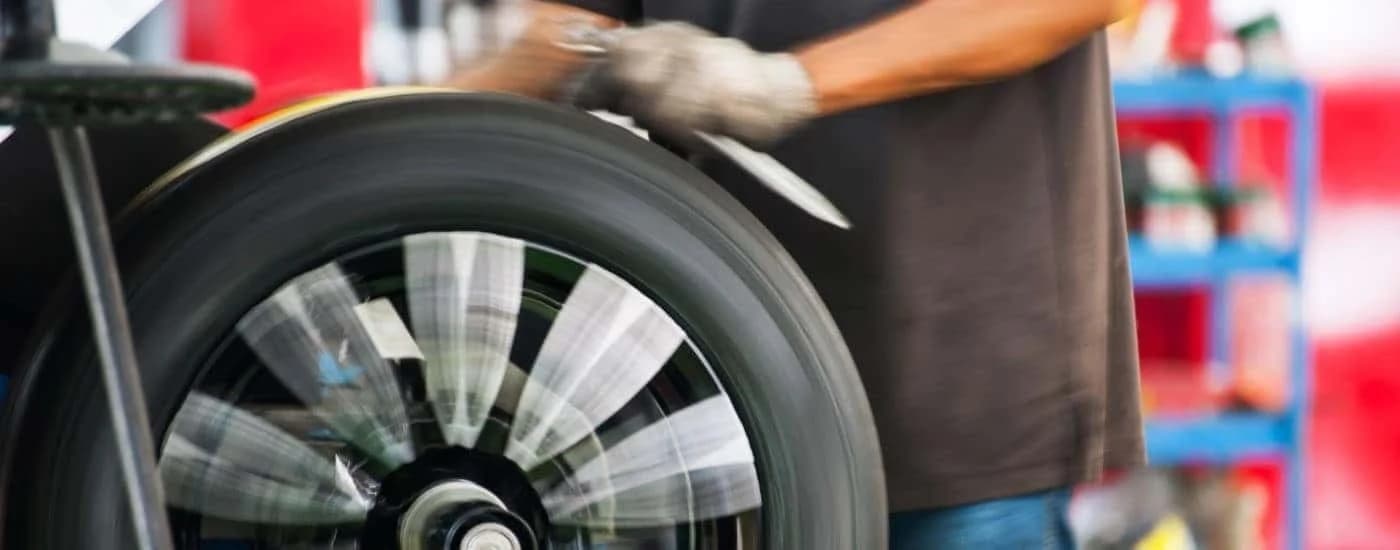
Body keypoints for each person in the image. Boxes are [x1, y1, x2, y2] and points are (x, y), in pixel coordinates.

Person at [451, 0, 1144, 547]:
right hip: (724, 391)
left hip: (966, 381)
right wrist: (380, 126)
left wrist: (786, 83)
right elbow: (559, 27)